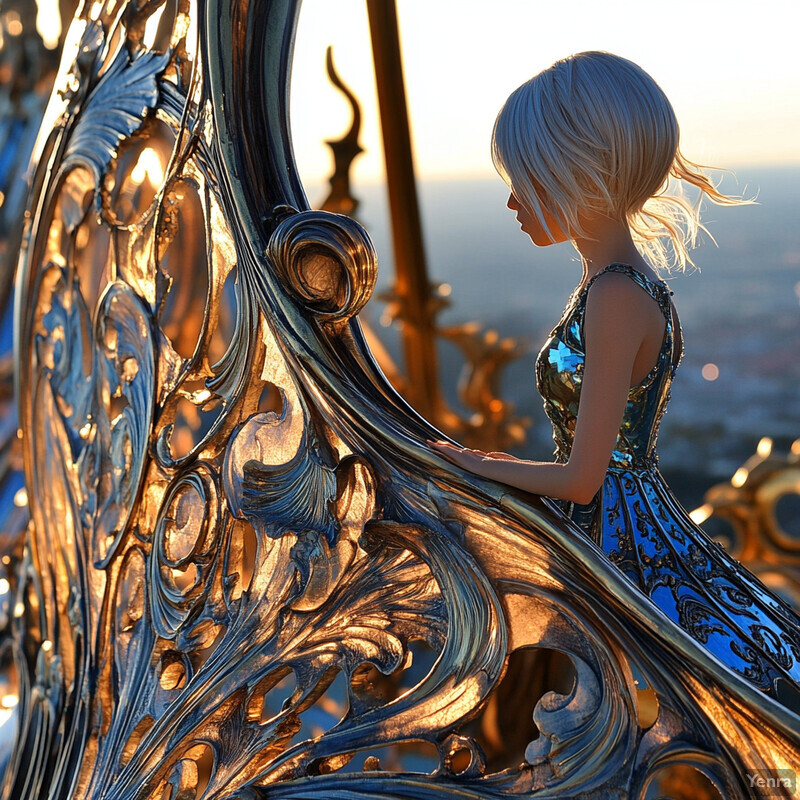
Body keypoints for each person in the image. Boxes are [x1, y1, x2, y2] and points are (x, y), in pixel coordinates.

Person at [431, 51, 800, 707]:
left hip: (620, 541)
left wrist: (475, 464)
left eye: (527, 179)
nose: (513, 201)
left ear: (575, 177)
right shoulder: (618, 286)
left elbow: (583, 478)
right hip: (622, 527)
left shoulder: (615, 297)